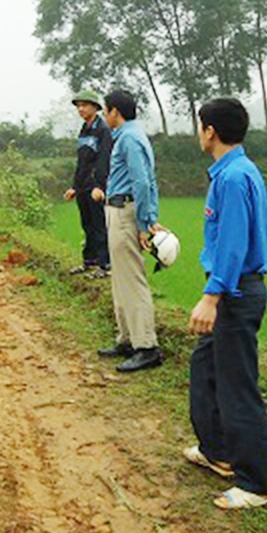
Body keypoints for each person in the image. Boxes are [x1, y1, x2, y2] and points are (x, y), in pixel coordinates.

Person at [185, 97, 267, 509]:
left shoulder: (232, 177)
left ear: (210, 131)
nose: (199, 132)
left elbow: (233, 243)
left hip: (235, 292)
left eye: (199, 126)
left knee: (236, 386)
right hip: (232, 288)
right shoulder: (236, 170)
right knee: (204, 367)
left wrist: (212, 296)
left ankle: (258, 483)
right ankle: (217, 450)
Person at [97, 90, 163, 373]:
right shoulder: (126, 136)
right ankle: (127, 338)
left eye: (105, 110)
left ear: (115, 112)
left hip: (126, 212)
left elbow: (143, 181)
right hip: (117, 210)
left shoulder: (131, 139)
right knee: (120, 279)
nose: (104, 115)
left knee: (132, 279)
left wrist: (146, 223)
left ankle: (146, 346)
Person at [63, 90, 112, 277]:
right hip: (83, 185)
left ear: (95, 107)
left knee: (99, 225)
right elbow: (82, 161)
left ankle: (105, 265)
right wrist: (74, 186)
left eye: (84, 105)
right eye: (78, 106)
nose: (81, 109)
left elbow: (103, 160)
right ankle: (89, 261)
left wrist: (100, 185)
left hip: (95, 187)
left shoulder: (103, 130)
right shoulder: (84, 130)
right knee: (87, 224)